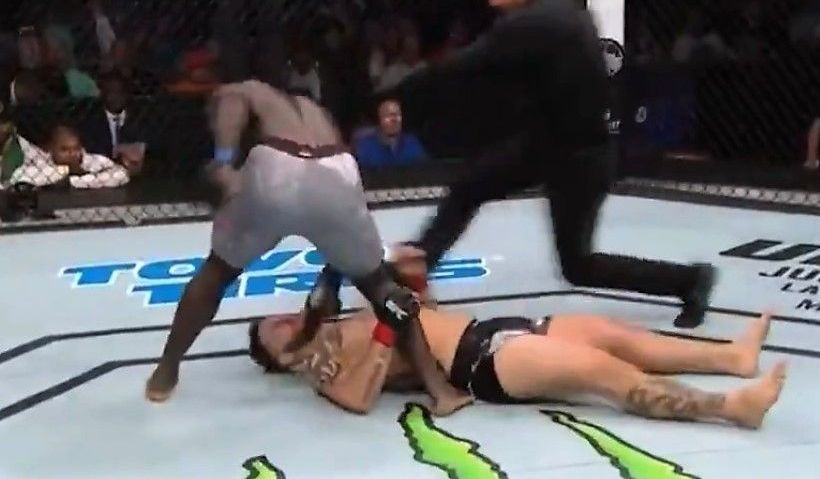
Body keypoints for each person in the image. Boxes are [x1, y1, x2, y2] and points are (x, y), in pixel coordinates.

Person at [380, 0, 715, 328]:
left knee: (578, 266)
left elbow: (465, 65)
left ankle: (689, 279)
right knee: (469, 187)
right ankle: (417, 265)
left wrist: (395, 90)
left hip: (579, 158)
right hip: (550, 144)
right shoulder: (563, 13)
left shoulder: (535, 23)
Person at [144, 79, 471, 416]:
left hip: (279, 168)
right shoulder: (317, 110)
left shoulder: (250, 89)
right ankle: (440, 391)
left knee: (216, 274)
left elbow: (232, 102)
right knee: (380, 286)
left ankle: (167, 368)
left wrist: (224, 161)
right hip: (340, 173)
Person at [249, 250, 786, 429]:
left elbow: (423, 312)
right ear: (279, 360)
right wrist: (388, 324)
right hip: (482, 363)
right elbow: (359, 398)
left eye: (279, 317)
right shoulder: (322, 364)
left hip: (489, 327)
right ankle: (731, 408)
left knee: (611, 333)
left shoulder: (342, 317)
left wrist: (409, 278)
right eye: (274, 332)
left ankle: (732, 357)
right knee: (601, 372)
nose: (284, 321)